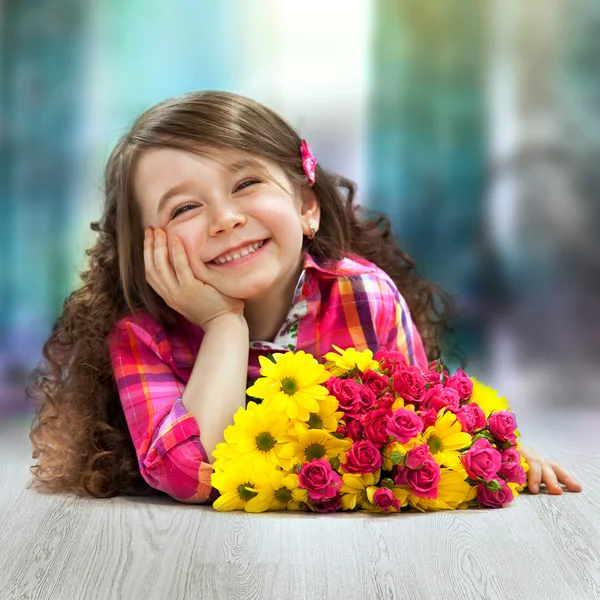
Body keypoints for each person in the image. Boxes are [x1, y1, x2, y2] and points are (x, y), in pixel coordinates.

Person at [27, 91, 581, 504]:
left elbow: (425, 428)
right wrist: (223, 325)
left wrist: (489, 451)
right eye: (183, 209)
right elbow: (193, 477)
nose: (226, 218)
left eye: (246, 184)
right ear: (145, 252)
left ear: (306, 207)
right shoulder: (142, 340)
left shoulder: (365, 298)